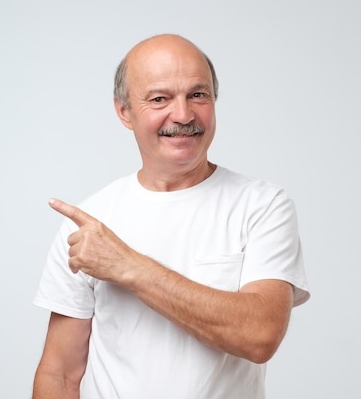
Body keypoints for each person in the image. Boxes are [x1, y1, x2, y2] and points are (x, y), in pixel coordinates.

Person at [32, 34, 310, 399]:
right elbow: (60, 374)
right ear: (124, 112)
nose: (182, 115)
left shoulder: (262, 205)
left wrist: (129, 266)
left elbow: (259, 337)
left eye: (198, 94)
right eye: (160, 98)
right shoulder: (89, 223)